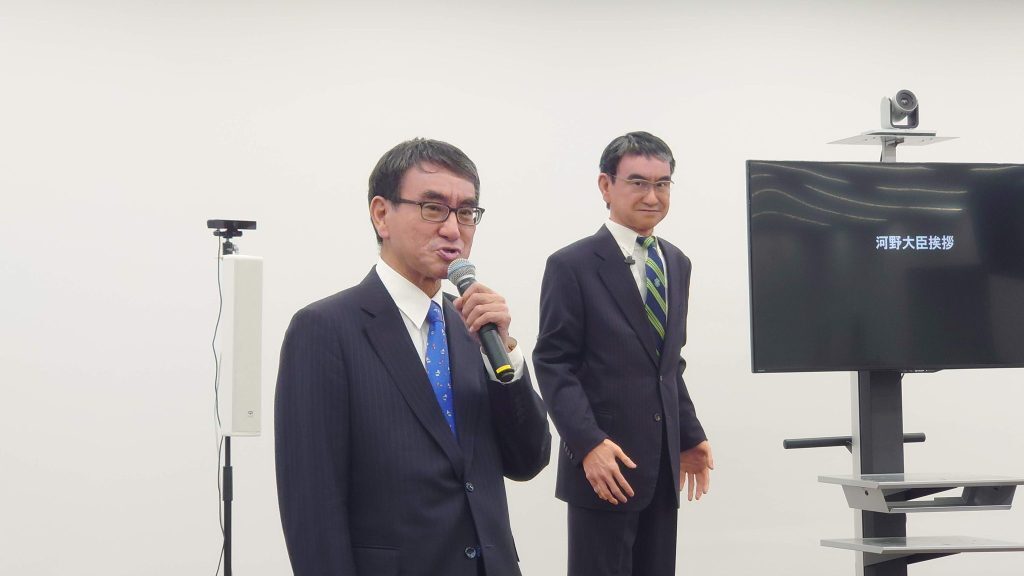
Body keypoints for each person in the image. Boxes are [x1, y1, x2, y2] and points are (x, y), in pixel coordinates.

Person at [275, 138, 551, 576]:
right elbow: (312, 507)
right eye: (433, 208)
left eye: (466, 212)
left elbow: (527, 460)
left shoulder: (474, 328)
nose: (453, 229)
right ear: (381, 214)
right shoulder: (325, 329)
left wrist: (508, 357)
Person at [533, 131, 713, 576]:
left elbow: (668, 364)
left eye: (662, 184)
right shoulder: (571, 265)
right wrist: (587, 444)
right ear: (606, 185)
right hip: (604, 467)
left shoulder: (676, 262)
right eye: (638, 183)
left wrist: (690, 435)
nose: (652, 196)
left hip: (661, 468)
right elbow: (553, 363)